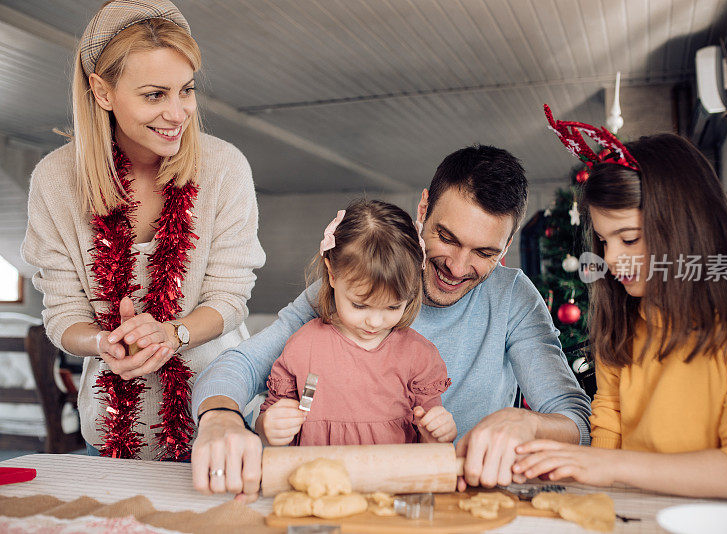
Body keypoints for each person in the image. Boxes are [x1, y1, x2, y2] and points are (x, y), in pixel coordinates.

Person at [192, 144, 591, 502]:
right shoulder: (354, 287)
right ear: (423, 210)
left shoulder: (514, 298)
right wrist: (220, 418)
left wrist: (523, 422)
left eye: (484, 252)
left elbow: (575, 418)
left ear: (508, 243)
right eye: (447, 238)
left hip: (461, 500)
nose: (456, 266)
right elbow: (240, 364)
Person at [21, 0, 265, 462]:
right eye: (155, 95)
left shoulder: (225, 167)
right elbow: (62, 313)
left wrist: (174, 335)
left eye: (186, 90)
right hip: (110, 434)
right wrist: (102, 342)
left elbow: (231, 297)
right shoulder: (55, 181)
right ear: (102, 91)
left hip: (216, 426)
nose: (178, 113)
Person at [511, 107, 727, 498]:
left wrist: (603, 464)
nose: (609, 259)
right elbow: (608, 425)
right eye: (604, 241)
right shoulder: (623, 324)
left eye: (628, 239)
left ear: (682, 230)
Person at [258, 199, 457, 447]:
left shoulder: (419, 356)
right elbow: (270, 420)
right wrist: (268, 428)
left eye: (393, 306)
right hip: (319, 479)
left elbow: (432, 442)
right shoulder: (303, 348)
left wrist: (437, 432)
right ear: (332, 274)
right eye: (360, 305)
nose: (374, 322)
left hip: (393, 482)